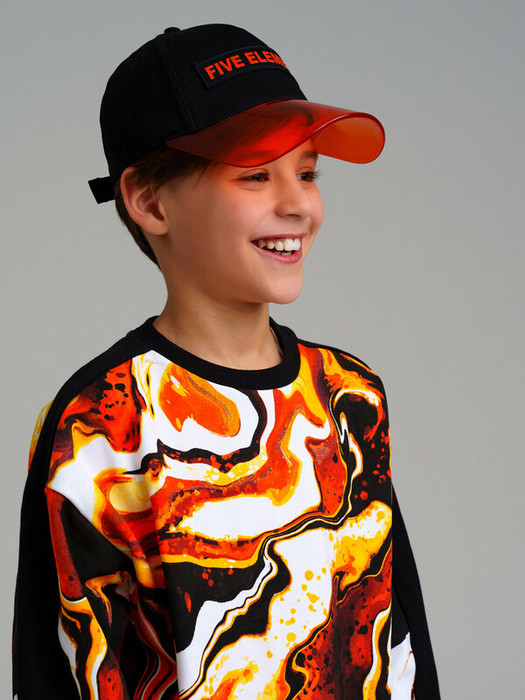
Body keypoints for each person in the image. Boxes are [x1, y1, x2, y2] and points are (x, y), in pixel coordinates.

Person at [13, 23, 440, 699]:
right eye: (255, 175)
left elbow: (400, 640)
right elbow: (60, 669)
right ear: (149, 200)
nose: (298, 204)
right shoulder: (99, 424)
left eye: (307, 173)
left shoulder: (349, 394)